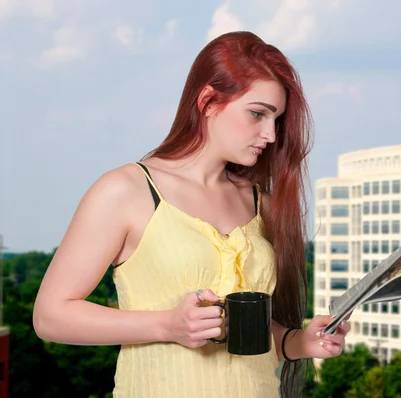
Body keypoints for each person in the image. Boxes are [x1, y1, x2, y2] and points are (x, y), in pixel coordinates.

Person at [32, 31, 350, 397]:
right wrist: (167, 325)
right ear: (208, 101)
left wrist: (299, 341)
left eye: (276, 119)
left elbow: (251, 334)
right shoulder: (127, 190)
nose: (271, 135)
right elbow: (50, 317)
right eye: (257, 114)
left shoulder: (261, 202)